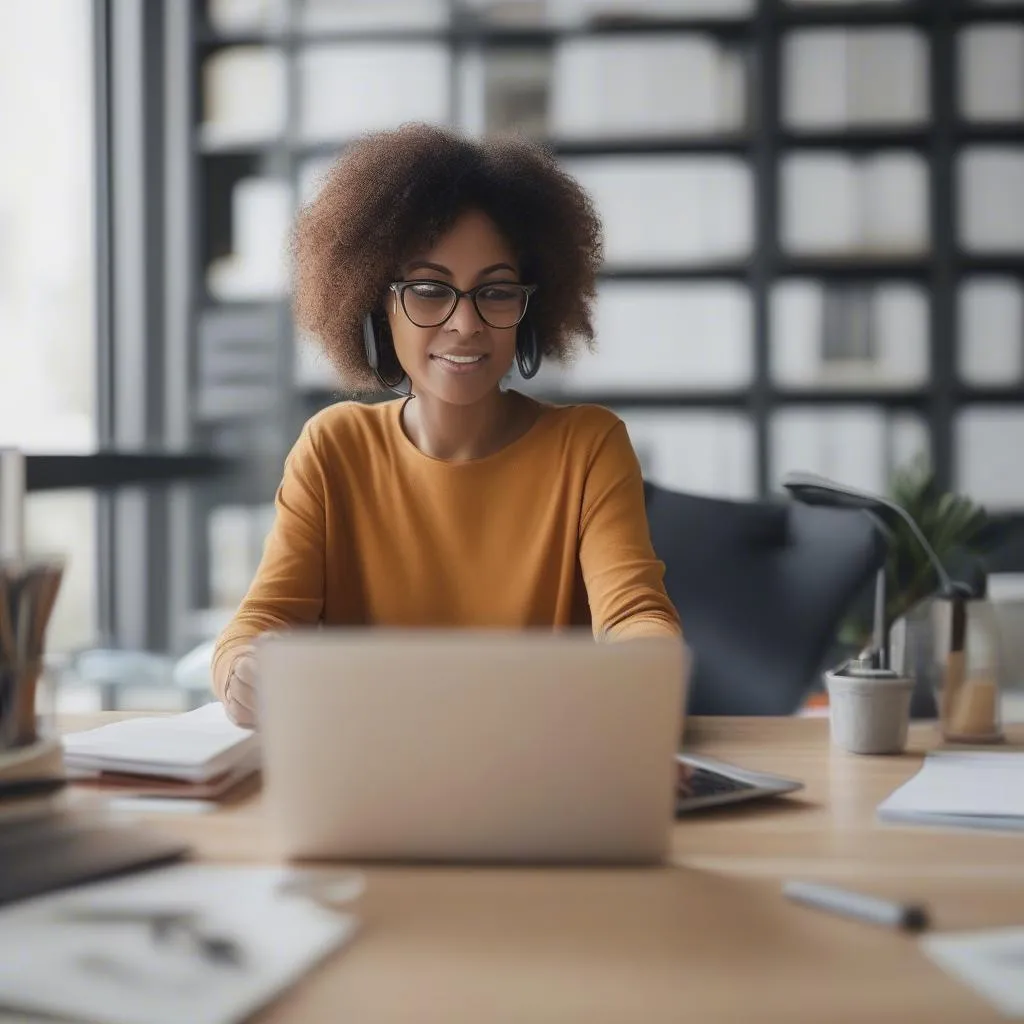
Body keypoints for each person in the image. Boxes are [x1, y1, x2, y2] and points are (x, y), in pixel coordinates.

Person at [214, 122, 681, 727]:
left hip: (539, 775)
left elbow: (636, 617)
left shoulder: (588, 447)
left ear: (529, 306)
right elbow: (257, 626)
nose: (465, 324)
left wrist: (644, 668)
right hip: (371, 778)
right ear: (377, 303)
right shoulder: (333, 449)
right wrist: (243, 672)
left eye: (496, 292)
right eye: (431, 290)